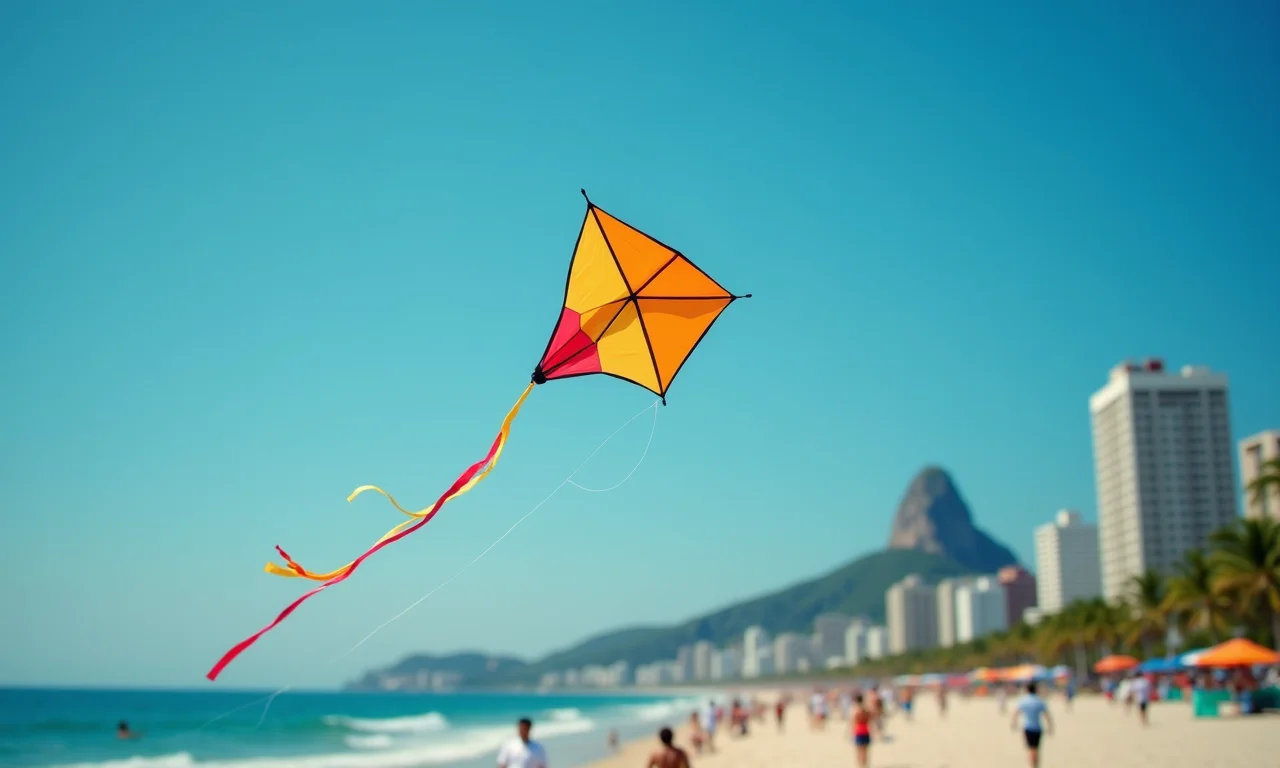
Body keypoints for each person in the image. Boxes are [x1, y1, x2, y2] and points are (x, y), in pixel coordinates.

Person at [1010, 683, 1053, 768]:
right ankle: (1036, 765)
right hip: (1038, 728)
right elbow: (1047, 715)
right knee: (1036, 749)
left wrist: (1014, 724)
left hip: (1028, 727)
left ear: (1027, 690)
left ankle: (1032, 766)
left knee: (1031, 749)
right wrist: (1050, 726)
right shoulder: (1039, 700)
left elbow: (1016, 713)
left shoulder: (1024, 700)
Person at [851, 694, 872, 768]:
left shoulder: (855, 711)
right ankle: (865, 765)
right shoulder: (866, 710)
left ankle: (860, 765)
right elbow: (870, 719)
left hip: (858, 731)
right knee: (865, 751)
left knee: (859, 750)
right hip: (866, 730)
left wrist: (851, 733)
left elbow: (853, 722)